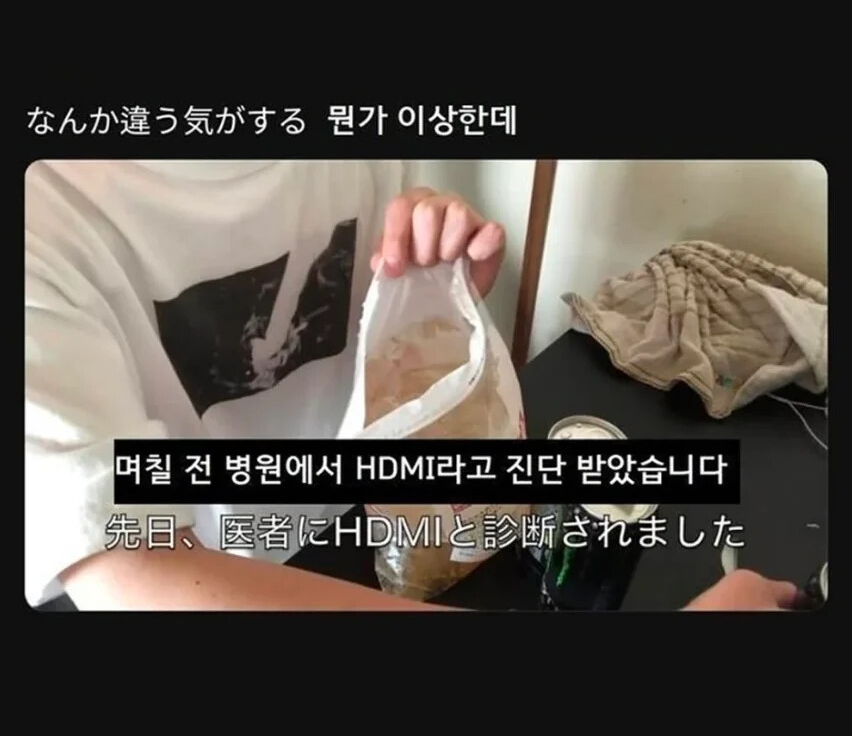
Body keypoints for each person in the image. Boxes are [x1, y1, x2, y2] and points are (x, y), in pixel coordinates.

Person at [24, 159, 805, 613]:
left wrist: (432, 280)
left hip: (362, 529)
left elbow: (374, 319)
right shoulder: (45, 212)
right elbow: (135, 576)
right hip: (218, 567)